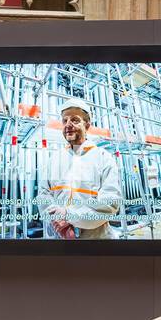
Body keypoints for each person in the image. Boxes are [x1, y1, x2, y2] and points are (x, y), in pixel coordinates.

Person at [37, 96, 122, 239]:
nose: (68, 124)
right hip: (59, 237)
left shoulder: (103, 158)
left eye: (75, 120)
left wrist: (69, 216)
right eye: (65, 120)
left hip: (95, 241)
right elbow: (43, 195)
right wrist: (58, 219)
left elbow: (110, 203)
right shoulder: (54, 159)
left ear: (87, 125)